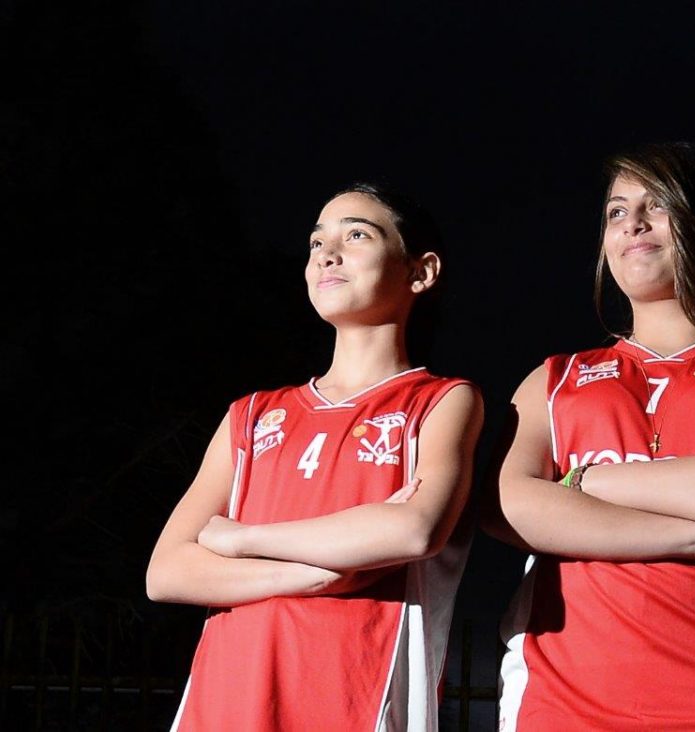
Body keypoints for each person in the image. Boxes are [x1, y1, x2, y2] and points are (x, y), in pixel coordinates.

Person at [485, 142, 695, 731]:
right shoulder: (553, 379)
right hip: (561, 700)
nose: (633, 224)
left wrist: (583, 482)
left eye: (658, 205)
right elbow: (505, 504)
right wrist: (694, 534)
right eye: (617, 212)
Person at [146, 183, 482, 731]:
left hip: (355, 703)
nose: (327, 254)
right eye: (316, 242)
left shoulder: (443, 401)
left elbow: (413, 529)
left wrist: (242, 540)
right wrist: (316, 572)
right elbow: (166, 572)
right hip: (225, 705)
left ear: (420, 272)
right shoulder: (251, 414)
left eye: (357, 235)